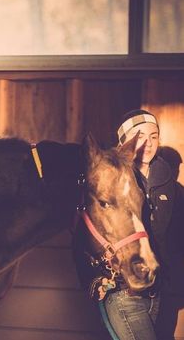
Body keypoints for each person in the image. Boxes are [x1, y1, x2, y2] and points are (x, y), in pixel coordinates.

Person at [73, 109, 184, 340]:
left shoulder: (173, 190)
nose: (148, 143)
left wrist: (176, 286)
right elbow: (83, 235)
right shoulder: (111, 183)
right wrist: (92, 280)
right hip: (124, 289)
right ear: (126, 142)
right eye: (140, 137)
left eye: (154, 136)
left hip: (161, 291)